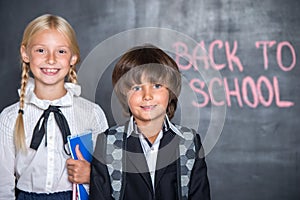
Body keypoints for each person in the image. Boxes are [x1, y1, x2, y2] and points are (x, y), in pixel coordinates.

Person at [0, 14, 108, 199]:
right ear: (25, 54)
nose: (51, 60)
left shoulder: (92, 114)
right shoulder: (10, 117)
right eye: (41, 50)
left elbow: (109, 173)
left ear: (73, 57)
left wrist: (92, 175)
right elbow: (3, 184)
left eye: (61, 51)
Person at [90, 44, 210, 200]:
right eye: (137, 88)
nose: (147, 96)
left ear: (171, 91)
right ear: (124, 93)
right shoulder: (108, 142)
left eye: (157, 86)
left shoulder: (189, 142)